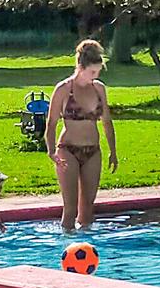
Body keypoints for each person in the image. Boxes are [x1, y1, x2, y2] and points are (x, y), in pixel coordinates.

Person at [48, 39, 116, 232]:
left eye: (98, 72)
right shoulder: (63, 89)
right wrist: (51, 151)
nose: (95, 76)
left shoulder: (99, 88)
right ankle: (66, 242)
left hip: (93, 151)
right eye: (92, 72)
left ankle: (85, 244)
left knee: (87, 210)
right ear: (80, 67)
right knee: (70, 208)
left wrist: (113, 151)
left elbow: (107, 122)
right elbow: (51, 123)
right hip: (68, 150)